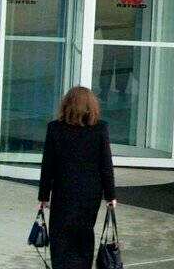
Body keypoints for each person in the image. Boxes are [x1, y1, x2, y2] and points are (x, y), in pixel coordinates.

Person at [38, 86, 117, 269]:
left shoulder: (55, 128)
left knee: (60, 235)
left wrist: (43, 196)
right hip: (90, 194)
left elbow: (48, 166)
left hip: (63, 192)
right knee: (84, 234)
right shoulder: (100, 129)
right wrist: (110, 195)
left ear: (66, 105)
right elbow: (106, 165)